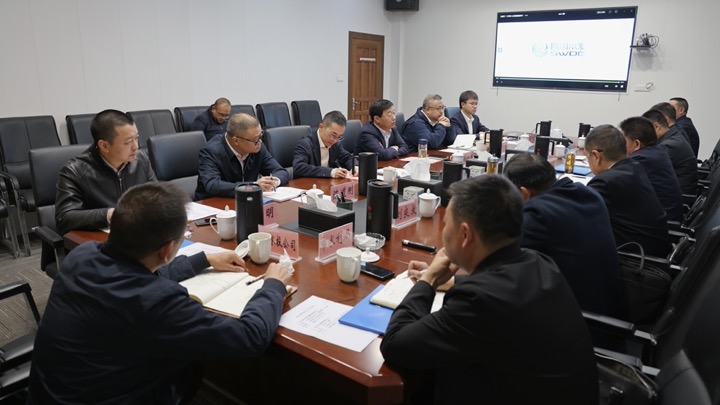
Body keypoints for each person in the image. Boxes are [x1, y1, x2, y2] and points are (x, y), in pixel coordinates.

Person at [28, 182, 293, 404]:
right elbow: (249, 337)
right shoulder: (158, 301)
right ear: (167, 250)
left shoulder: (82, 255)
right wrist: (273, 285)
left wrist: (203, 259)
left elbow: (135, 274)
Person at [380, 175, 598, 404]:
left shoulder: (480, 300)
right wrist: (453, 282)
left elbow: (395, 345)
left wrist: (429, 279)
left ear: (465, 234)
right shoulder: (538, 261)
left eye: (446, 224)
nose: (443, 231)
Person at [504, 152, 622, 318]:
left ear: (523, 193)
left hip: (578, 319)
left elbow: (502, 263)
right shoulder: (589, 193)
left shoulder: (537, 214)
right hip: (609, 308)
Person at [55, 109, 156, 235]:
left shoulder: (141, 160)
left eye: (136, 138)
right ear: (104, 146)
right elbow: (64, 218)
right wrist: (109, 215)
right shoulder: (74, 171)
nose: (136, 146)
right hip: (100, 240)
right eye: (128, 141)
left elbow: (157, 196)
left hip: (139, 233)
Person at [585, 125, 672, 257]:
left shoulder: (605, 182)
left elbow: (580, 220)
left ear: (596, 156)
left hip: (635, 261)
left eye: (587, 157)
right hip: (655, 251)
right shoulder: (634, 167)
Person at [195, 112, 289, 199]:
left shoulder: (258, 147)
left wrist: (274, 181)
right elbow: (212, 185)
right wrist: (251, 187)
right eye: (255, 139)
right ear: (236, 141)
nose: (260, 142)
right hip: (214, 204)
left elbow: (280, 171)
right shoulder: (211, 151)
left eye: (261, 136)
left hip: (246, 201)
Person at [620, 116, 684, 222]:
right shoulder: (658, 150)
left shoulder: (641, 159)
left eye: (623, 142)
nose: (621, 146)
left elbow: (615, 179)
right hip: (666, 215)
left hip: (660, 222)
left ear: (636, 144)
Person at [642, 109, 698, 195]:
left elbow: (644, 168)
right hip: (674, 191)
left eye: (645, 131)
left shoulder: (670, 145)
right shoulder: (673, 136)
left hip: (678, 196)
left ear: (656, 126)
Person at [292, 110, 356, 178]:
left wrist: (355, 167)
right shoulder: (305, 144)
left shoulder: (335, 144)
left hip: (327, 182)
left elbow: (347, 157)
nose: (335, 140)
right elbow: (298, 167)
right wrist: (330, 172)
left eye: (339, 137)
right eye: (333, 135)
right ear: (321, 127)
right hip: (309, 183)